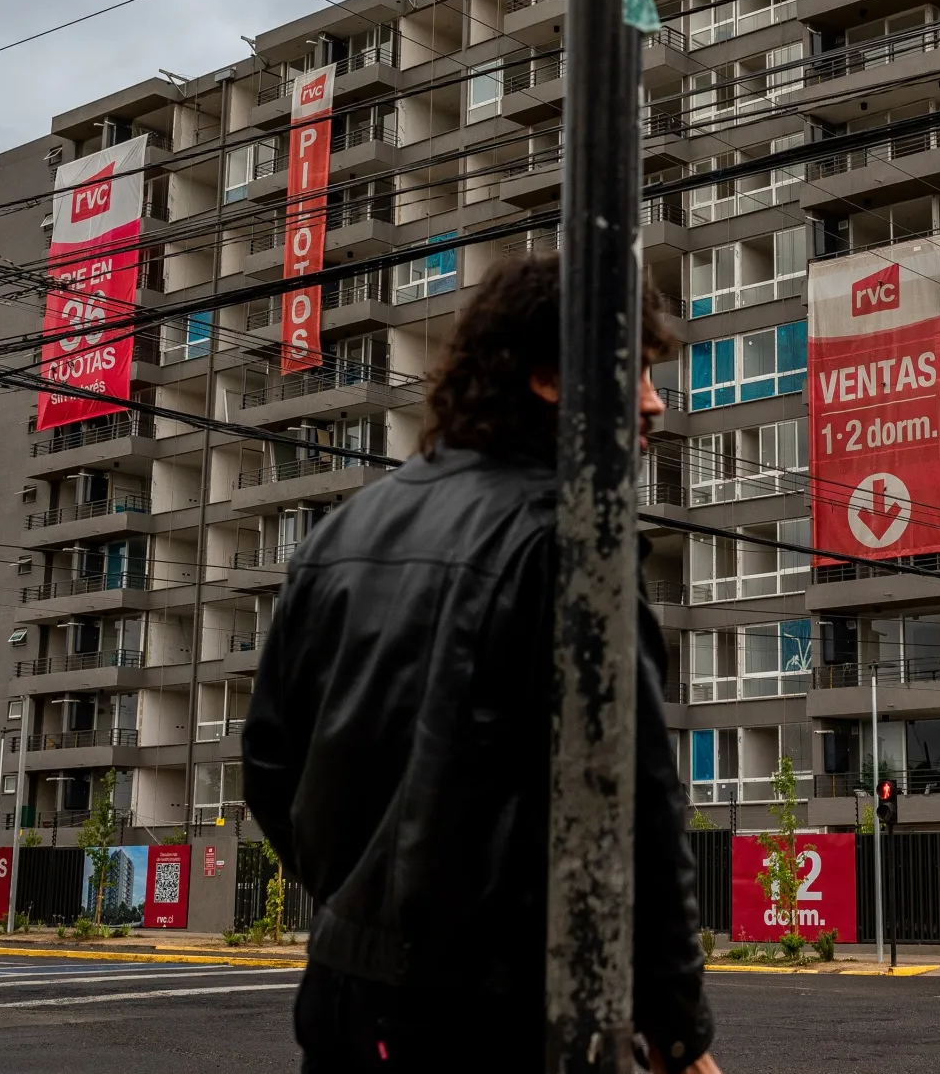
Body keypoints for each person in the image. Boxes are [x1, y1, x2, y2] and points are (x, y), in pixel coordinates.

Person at [244, 252, 720, 1073]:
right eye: (633, 374)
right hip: (500, 1017)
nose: (655, 403)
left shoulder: (342, 534)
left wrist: (364, 907)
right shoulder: (572, 541)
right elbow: (636, 808)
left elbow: (270, 768)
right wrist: (677, 1033)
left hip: (343, 1003)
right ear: (545, 377)